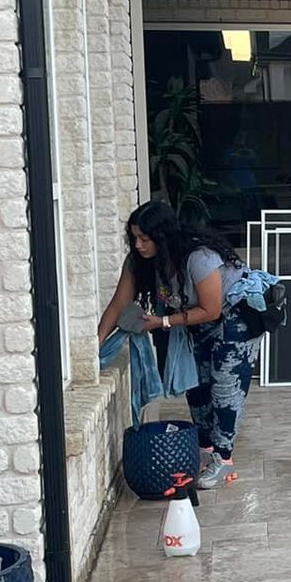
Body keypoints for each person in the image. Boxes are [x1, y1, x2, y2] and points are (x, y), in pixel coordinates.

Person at [97, 201, 257, 490]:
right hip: (193, 318)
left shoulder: (198, 257)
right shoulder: (138, 263)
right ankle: (205, 448)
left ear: (164, 236)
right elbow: (118, 305)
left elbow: (212, 310)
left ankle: (224, 458)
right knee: (197, 382)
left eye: (145, 238)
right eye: (134, 238)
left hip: (235, 314)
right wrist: (95, 347)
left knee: (224, 384)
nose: (138, 245)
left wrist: (162, 322)